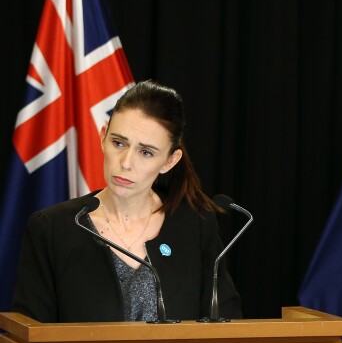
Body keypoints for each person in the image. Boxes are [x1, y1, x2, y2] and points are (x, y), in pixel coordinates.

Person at [12, 81, 241, 323]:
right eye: (119, 143)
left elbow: (227, 328)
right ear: (103, 137)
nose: (126, 162)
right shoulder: (52, 228)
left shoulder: (196, 227)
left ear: (170, 161)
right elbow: (29, 338)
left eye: (146, 152)